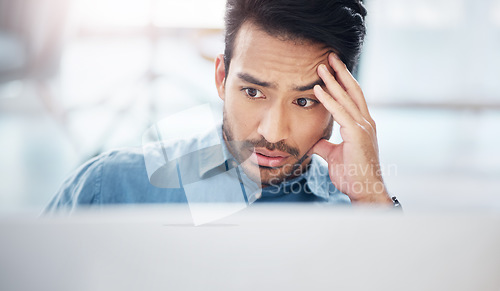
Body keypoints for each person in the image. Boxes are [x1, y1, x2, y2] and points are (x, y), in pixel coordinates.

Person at [45, 0, 400, 213]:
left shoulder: (360, 217)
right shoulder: (108, 190)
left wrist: (371, 198)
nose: (272, 133)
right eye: (253, 92)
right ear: (221, 78)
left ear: (343, 99)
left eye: (304, 100)